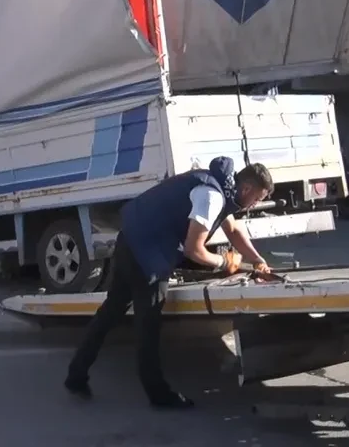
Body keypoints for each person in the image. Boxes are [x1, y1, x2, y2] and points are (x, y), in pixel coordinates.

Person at [64, 156, 274, 409]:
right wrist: (224, 263)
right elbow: (193, 249)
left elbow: (233, 231)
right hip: (147, 252)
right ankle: (158, 395)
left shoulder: (219, 185)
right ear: (247, 188)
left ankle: (76, 375)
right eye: (257, 198)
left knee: (111, 312)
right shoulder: (211, 196)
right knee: (148, 324)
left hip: (129, 239)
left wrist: (258, 260)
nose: (254, 204)